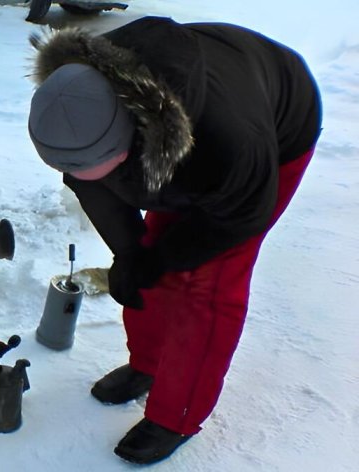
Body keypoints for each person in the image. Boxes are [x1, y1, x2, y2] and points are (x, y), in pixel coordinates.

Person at [27, 17, 322, 464]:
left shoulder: (228, 143)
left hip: (274, 131)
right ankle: (148, 364)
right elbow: (93, 184)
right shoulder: (75, 102)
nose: (84, 177)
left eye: (98, 166)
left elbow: (240, 217)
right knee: (147, 258)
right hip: (181, 125)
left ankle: (176, 415)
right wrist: (130, 252)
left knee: (207, 283)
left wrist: (166, 257)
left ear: (126, 136)